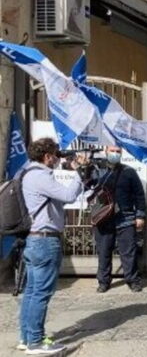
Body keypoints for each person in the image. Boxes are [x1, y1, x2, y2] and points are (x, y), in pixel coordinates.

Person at [18, 138, 85, 355]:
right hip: (45, 240)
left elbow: (57, 200)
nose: (57, 159)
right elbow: (68, 195)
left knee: (32, 291)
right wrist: (78, 172)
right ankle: (36, 342)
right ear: (47, 156)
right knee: (41, 293)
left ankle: (27, 337)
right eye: (55, 155)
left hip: (35, 238)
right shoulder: (40, 176)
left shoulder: (27, 173)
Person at [92, 146, 146, 293]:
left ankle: (132, 280)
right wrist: (83, 168)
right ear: (105, 151)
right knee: (104, 251)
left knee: (128, 252)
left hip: (126, 218)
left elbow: (139, 195)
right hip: (103, 219)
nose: (115, 154)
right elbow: (86, 185)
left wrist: (140, 215)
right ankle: (103, 281)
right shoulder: (98, 170)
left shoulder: (129, 172)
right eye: (112, 151)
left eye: (118, 151)